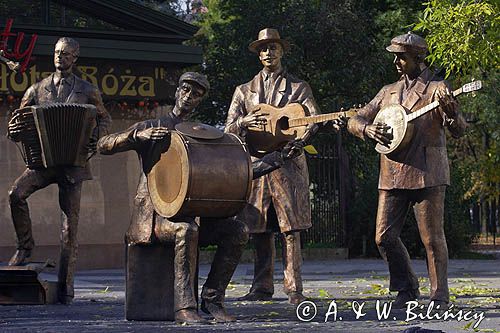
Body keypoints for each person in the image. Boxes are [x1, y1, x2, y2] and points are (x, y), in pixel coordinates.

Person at [97, 72, 302, 323]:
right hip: (154, 220)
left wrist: (277, 159)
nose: (188, 96)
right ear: (176, 92)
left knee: (236, 230)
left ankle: (212, 300)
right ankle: (184, 308)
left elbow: (236, 171)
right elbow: (103, 144)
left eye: (196, 94)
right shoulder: (151, 126)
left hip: (191, 214)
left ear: (199, 101)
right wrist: (136, 137)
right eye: (185, 89)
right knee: (186, 230)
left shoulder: (202, 134)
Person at [347, 32, 467, 308]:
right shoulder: (387, 92)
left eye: (401, 56)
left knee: (432, 238)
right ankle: (407, 286)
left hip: (427, 170)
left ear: (418, 58)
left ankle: (439, 295)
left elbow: (460, 129)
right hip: (391, 172)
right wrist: (366, 128)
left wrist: (450, 113)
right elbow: (356, 118)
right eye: (394, 56)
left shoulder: (438, 88)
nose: (396, 62)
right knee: (383, 236)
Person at [6, 37, 111, 304]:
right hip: (43, 162)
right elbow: (16, 123)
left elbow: (104, 118)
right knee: (15, 195)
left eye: (65, 54)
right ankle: (25, 247)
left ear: (75, 57)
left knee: (68, 229)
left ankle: (66, 286)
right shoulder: (36, 90)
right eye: (56, 53)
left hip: (72, 165)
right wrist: (15, 130)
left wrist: (95, 137)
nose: (59, 57)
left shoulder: (88, 90)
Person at [225, 28, 324, 305]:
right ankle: (261, 285)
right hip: (257, 165)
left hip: (288, 165)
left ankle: (294, 288)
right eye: (264, 48)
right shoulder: (243, 91)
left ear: (282, 51)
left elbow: (314, 119)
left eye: (273, 47)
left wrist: (300, 142)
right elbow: (228, 128)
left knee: (290, 230)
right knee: (258, 229)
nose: (269, 52)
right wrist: (243, 123)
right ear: (258, 55)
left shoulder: (298, 87)